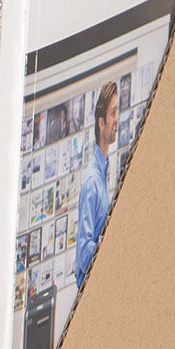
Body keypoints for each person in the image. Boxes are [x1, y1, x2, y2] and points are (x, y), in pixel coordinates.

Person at [74, 81, 118, 287]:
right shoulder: (92, 181)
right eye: (113, 113)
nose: (116, 119)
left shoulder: (102, 173)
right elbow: (84, 254)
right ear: (101, 123)